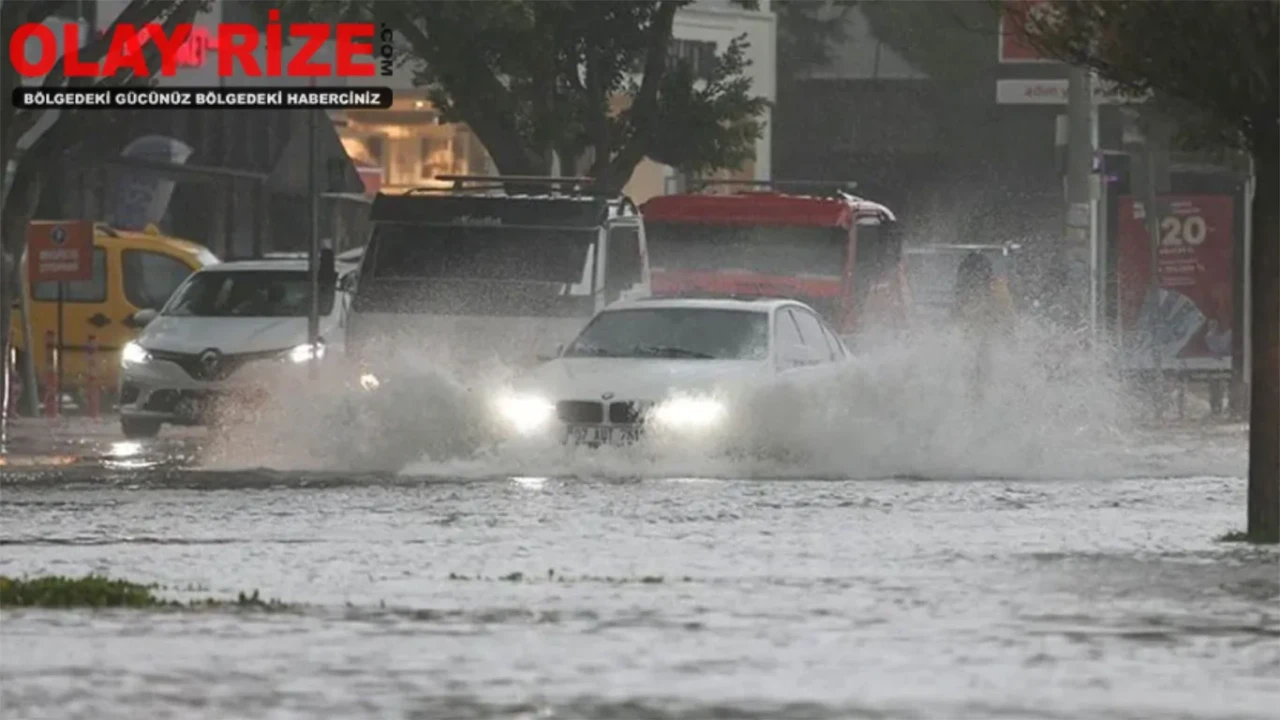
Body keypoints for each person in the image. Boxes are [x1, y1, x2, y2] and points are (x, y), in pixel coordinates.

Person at [951, 251, 1015, 397]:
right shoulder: (995, 288)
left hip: (988, 340)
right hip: (983, 341)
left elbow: (1007, 322)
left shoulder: (996, 289)